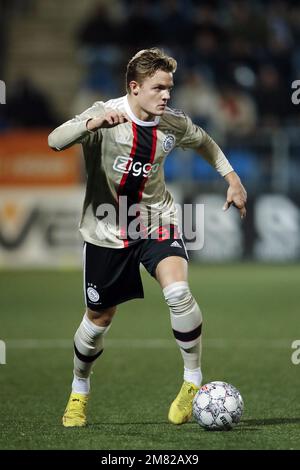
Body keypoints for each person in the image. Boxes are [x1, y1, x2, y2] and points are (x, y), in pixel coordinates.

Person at [48, 48, 247, 427]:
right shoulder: (104, 114)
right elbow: (54, 140)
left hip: (156, 222)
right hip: (106, 230)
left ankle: (192, 382)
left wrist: (232, 178)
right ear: (135, 87)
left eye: (170, 88)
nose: (167, 96)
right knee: (98, 319)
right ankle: (79, 390)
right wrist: (90, 125)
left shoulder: (171, 122)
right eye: (159, 88)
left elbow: (204, 141)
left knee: (178, 292)